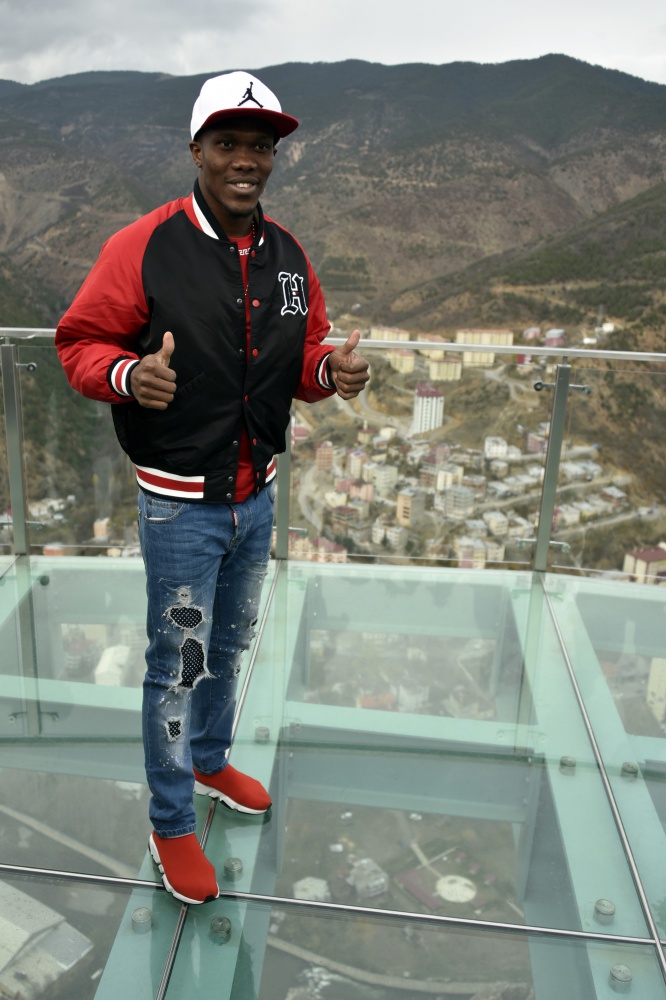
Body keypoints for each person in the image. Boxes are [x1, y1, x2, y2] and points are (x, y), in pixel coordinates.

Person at [56, 71, 369, 905]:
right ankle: (170, 821)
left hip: (256, 494)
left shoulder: (288, 255)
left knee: (229, 646)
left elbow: (302, 356)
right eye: (227, 142)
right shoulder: (144, 244)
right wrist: (128, 375)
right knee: (176, 667)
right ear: (196, 150)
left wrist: (331, 371)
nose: (245, 159)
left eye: (260, 146)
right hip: (179, 504)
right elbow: (80, 342)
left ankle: (208, 761)